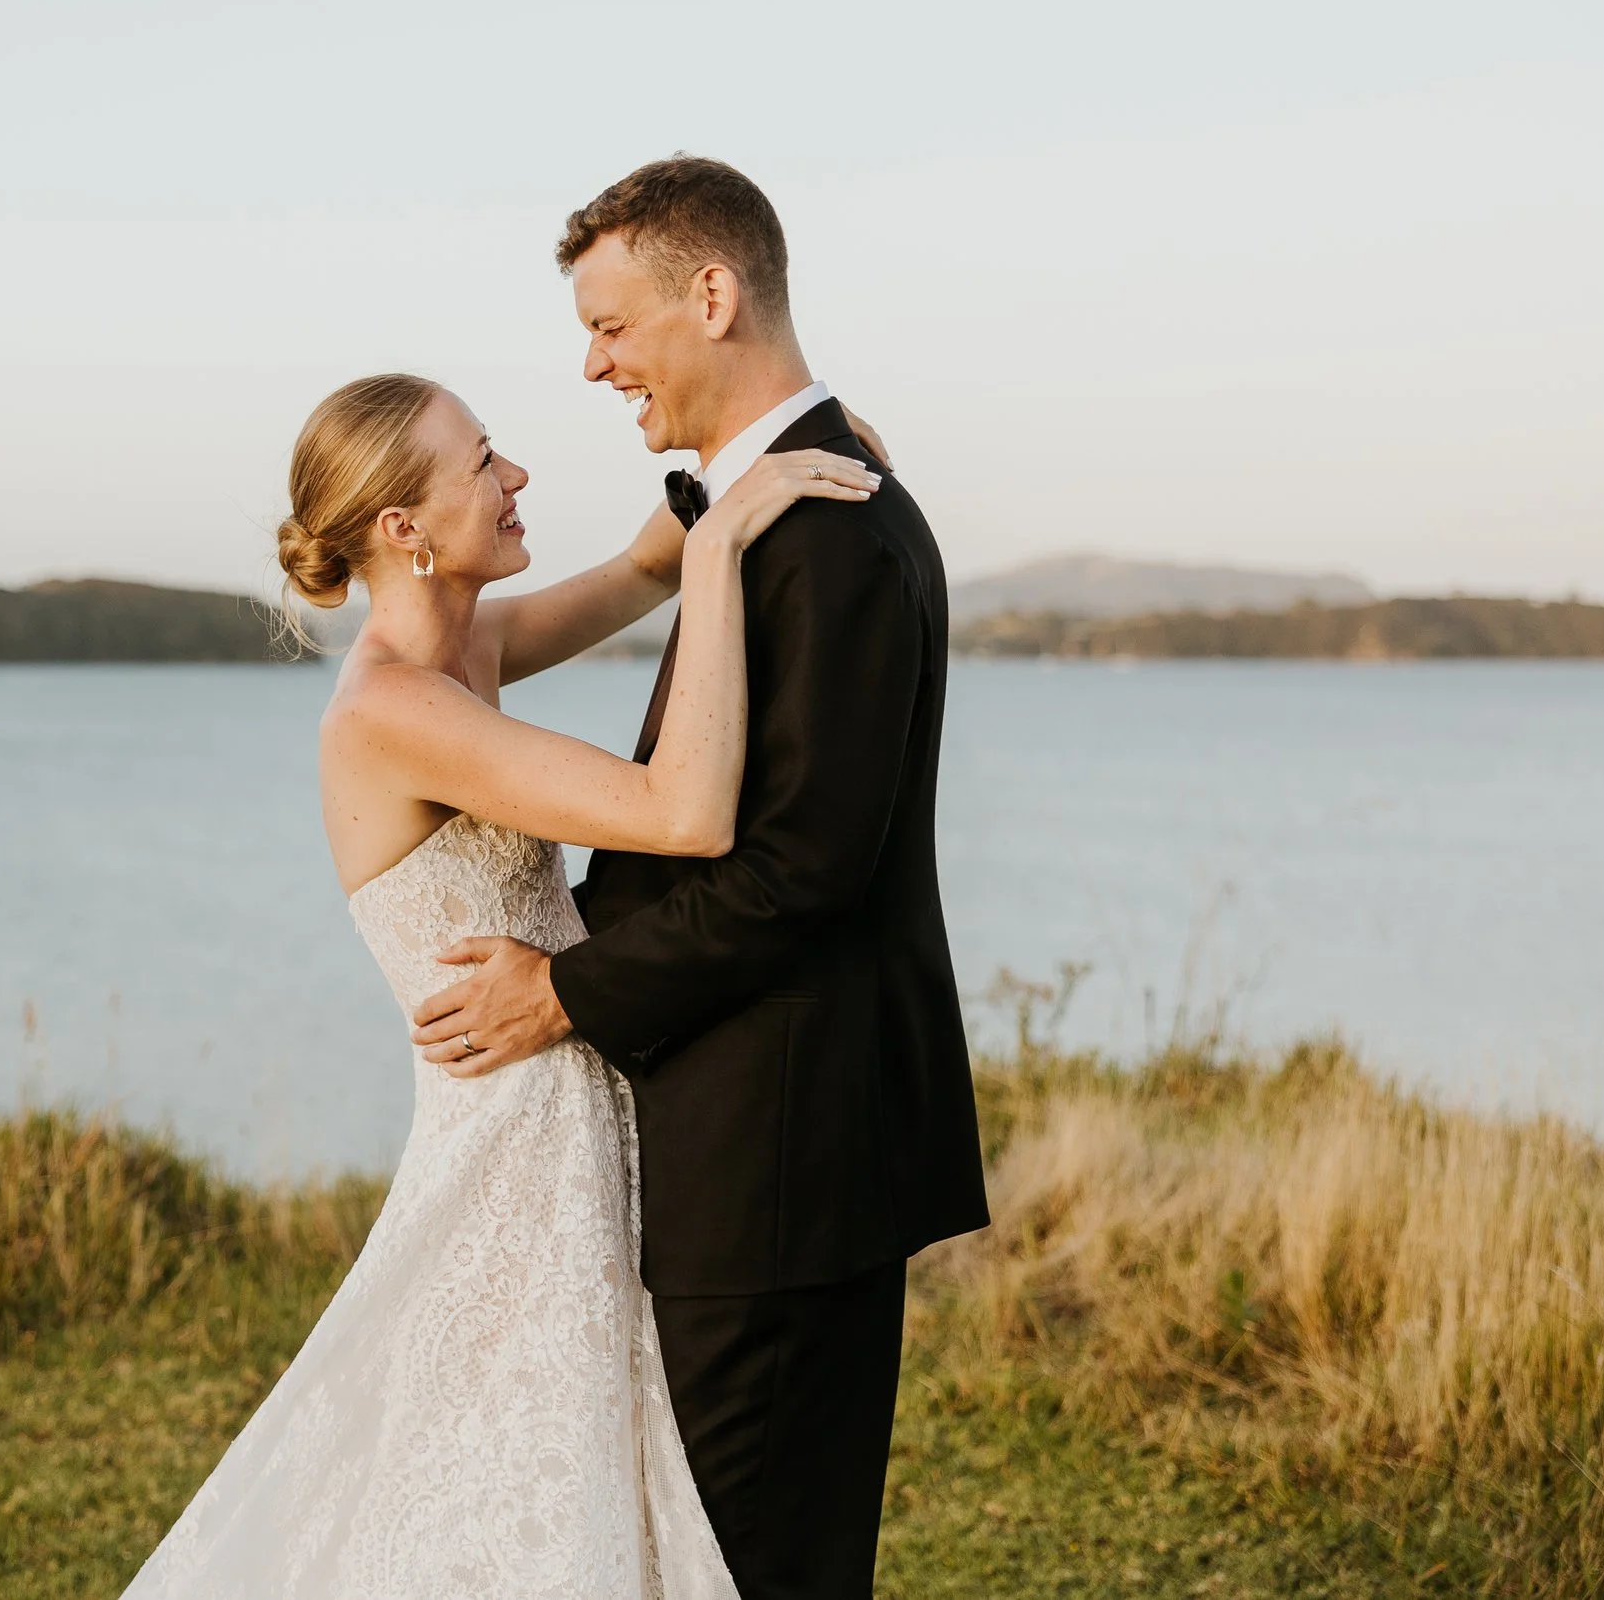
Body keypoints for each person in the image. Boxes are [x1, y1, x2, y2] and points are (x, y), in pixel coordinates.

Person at [119, 362, 881, 1599]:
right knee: (503, 1496)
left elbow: (637, 564)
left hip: (576, 1104)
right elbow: (681, 811)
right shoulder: (389, 711)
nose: (517, 474)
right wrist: (725, 548)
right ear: (402, 528)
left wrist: (771, 459)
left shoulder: (472, 642)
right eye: (482, 461)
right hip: (512, 1144)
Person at [406, 156, 991, 1600]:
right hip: (740, 1137)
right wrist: (693, 533)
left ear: (713, 294)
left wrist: (564, 993)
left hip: (784, 1154)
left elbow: (804, 872)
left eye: (611, 323)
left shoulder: (833, 532)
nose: (592, 363)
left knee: (760, 1563)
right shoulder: (768, 517)